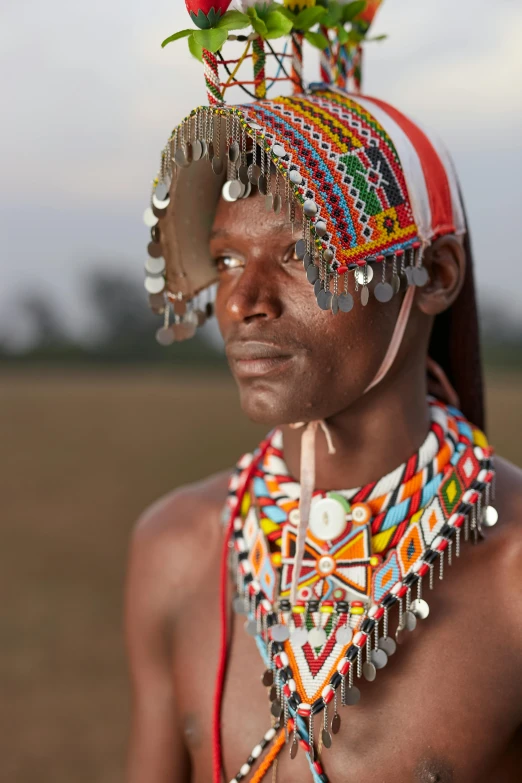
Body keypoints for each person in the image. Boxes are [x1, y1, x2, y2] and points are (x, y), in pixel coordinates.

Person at [125, 5, 522, 782]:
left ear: (434, 276)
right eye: (227, 259)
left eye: (302, 254)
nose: (243, 304)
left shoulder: (512, 576)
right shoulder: (176, 547)